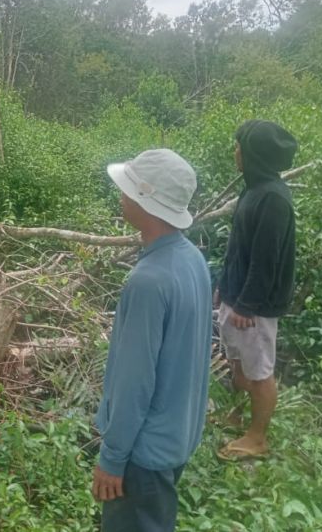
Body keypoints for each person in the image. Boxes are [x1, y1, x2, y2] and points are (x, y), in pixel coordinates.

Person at [93, 149, 212, 532]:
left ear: (145, 202)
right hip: (176, 437)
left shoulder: (147, 282)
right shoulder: (191, 259)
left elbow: (134, 382)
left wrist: (112, 458)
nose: (120, 195)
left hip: (143, 455)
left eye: (127, 188)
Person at [215, 120, 297, 460]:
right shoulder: (252, 189)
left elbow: (266, 262)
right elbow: (239, 247)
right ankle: (238, 415)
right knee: (237, 362)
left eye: (240, 147)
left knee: (259, 372)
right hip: (238, 297)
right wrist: (224, 284)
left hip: (256, 307)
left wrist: (247, 306)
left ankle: (258, 438)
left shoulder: (273, 200)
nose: (235, 152)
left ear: (255, 155)